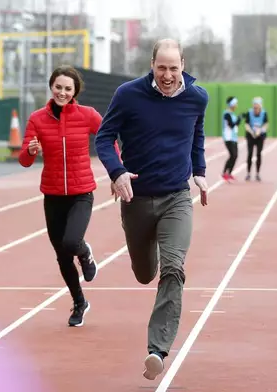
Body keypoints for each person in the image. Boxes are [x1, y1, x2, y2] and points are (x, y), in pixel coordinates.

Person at [94, 38, 209, 381]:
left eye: (174, 68)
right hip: (137, 200)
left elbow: (197, 135)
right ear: (152, 65)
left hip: (176, 196)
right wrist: (117, 173)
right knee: (145, 273)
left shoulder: (197, 97)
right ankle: (149, 257)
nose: (168, 75)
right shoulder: (128, 94)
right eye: (162, 67)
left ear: (183, 66)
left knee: (173, 269)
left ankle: (157, 349)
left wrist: (199, 173)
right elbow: (104, 137)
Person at [19, 65, 119, 327]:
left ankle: (85, 252)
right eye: (58, 87)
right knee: (62, 255)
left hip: (81, 192)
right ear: (52, 88)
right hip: (52, 196)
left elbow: (108, 137)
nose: (62, 92)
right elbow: (24, 161)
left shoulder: (87, 115)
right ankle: (79, 302)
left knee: (72, 241)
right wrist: (30, 150)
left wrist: (117, 171)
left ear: (75, 91)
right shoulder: (37, 119)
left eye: (67, 88)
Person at [242, 97, 268, 181]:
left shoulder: (264, 113)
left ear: (260, 106)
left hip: (260, 136)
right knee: (250, 153)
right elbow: (246, 124)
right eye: (254, 107)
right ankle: (248, 173)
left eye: (257, 107)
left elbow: (266, 124)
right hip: (251, 135)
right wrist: (252, 132)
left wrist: (260, 131)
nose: (256, 109)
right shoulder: (249, 113)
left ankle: (257, 173)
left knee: (259, 154)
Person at [222, 96, 240, 182]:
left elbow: (236, 125)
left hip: (234, 138)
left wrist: (239, 119)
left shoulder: (232, 114)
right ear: (231, 104)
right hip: (228, 138)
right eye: (235, 103)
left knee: (235, 156)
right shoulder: (227, 114)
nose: (236, 105)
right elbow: (231, 125)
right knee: (232, 155)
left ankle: (229, 173)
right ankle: (224, 172)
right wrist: (238, 120)